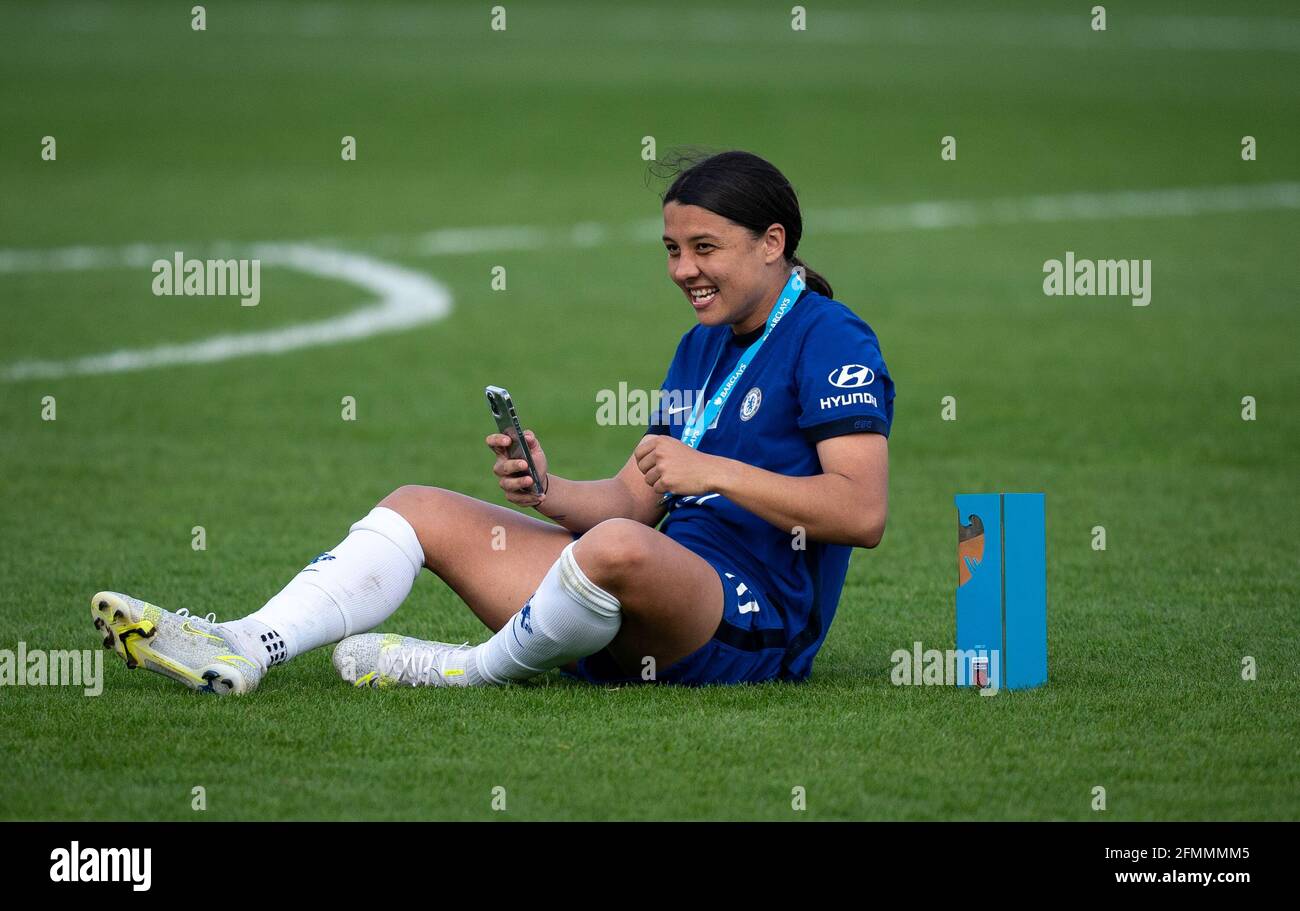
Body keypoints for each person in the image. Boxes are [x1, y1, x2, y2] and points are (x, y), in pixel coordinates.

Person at [90, 150, 894, 694]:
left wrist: (713, 472)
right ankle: (246, 642)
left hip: (747, 624)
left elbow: (862, 512)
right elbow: (630, 502)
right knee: (419, 506)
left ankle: (467, 669)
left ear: (773, 243)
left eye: (704, 247)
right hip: (629, 592)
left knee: (611, 551)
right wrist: (549, 492)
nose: (683, 270)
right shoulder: (703, 345)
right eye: (671, 249)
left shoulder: (833, 338)